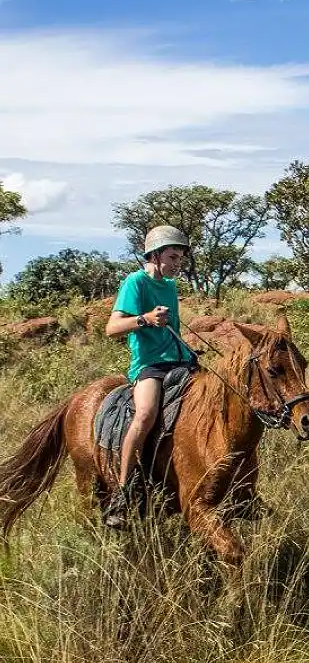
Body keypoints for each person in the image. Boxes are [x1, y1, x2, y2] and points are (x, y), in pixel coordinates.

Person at [101, 225, 199, 529]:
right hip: (149, 365)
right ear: (155, 255)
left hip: (178, 360)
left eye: (181, 258)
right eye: (173, 256)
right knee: (144, 415)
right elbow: (112, 328)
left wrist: (188, 350)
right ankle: (122, 491)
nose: (177, 263)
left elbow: (173, 329)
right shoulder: (135, 282)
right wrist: (145, 319)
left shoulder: (170, 286)